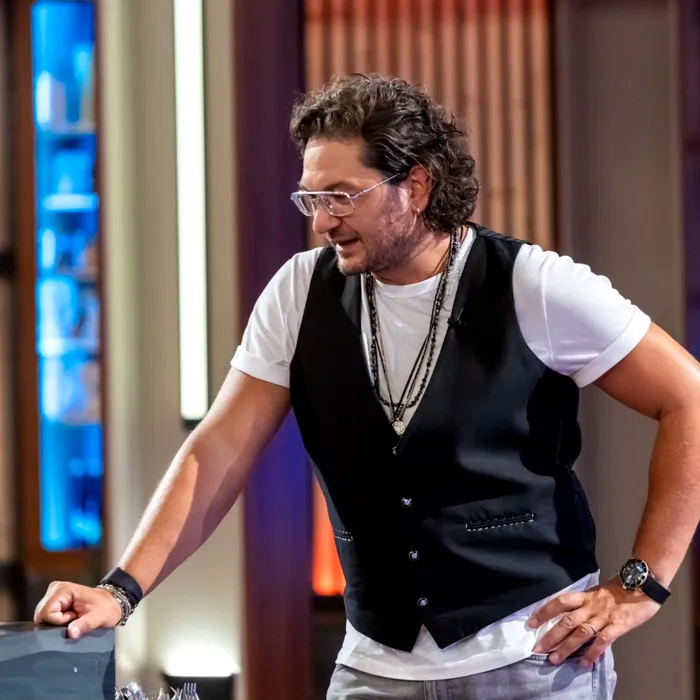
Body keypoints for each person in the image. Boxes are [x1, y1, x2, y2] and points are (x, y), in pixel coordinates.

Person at [34, 74, 700, 700]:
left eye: (342, 196)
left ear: (416, 185)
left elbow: (688, 397)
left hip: (534, 660)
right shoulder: (299, 292)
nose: (322, 220)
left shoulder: (533, 284)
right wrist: (120, 591)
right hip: (372, 668)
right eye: (312, 199)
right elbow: (216, 453)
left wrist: (640, 586)